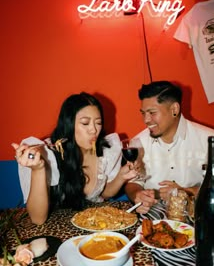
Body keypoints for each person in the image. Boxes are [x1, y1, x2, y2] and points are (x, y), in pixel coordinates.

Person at [12, 92, 137, 225]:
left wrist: (121, 177)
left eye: (98, 123)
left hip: (94, 226)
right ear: (69, 125)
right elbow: (38, 219)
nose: (94, 130)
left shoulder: (105, 151)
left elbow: (103, 194)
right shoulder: (49, 154)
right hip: (58, 229)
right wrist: (38, 169)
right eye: (85, 123)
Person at [125, 81, 214, 214]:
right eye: (143, 113)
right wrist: (137, 195)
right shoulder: (138, 142)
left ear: (174, 110)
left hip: (199, 214)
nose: (146, 120)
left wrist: (188, 192)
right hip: (153, 216)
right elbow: (132, 183)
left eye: (152, 113)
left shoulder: (210, 139)